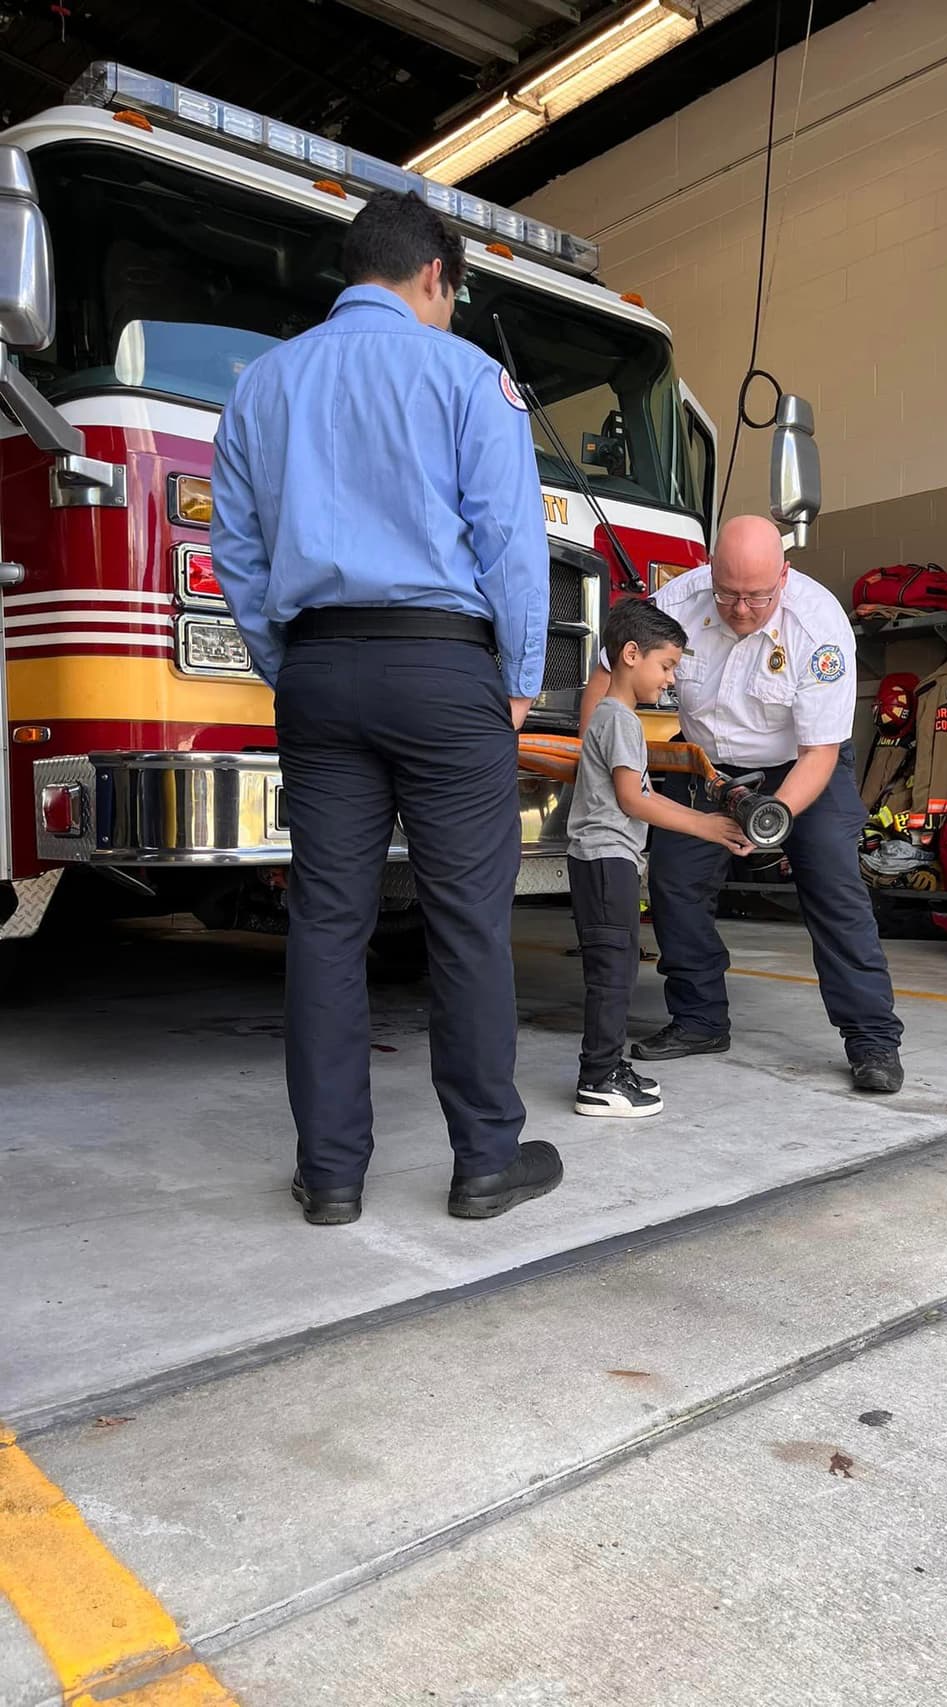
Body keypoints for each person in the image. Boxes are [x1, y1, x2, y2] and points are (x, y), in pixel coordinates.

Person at [212, 191, 562, 1226]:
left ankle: (328, 1177)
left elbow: (238, 553)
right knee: (465, 920)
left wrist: (293, 663)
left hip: (319, 670)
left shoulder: (261, 386)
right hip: (443, 669)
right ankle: (485, 1161)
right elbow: (508, 541)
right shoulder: (465, 376)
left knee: (325, 924)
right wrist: (515, 683)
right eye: (450, 296)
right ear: (432, 279)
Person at [579, 514, 905, 1094]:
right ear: (710, 573)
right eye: (728, 593)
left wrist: (770, 820)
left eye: (757, 596)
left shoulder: (819, 624)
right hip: (705, 762)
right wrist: (596, 756)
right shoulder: (678, 599)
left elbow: (820, 753)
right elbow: (607, 674)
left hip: (800, 764)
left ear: (784, 574)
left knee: (832, 884)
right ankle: (700, 1019)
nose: (741, 608)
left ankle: (872, 1037)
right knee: (675, 881)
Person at [567, 598, 753, 1119]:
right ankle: (598, 1079)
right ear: (631, 654)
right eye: (667, 665)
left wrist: (708, 823)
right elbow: (634, 800)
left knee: (618, 966)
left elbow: (639, 795)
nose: (671, 680)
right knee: (613, 973)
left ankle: (607, 1068)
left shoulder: (614, 716)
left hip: (609, 859)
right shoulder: (621, 720)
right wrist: (706, 826)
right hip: (606, 858)